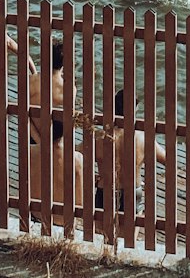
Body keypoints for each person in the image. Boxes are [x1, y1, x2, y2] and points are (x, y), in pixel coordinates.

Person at [95, 86, 165, 216]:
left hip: (105, 189)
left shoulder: (100, 137)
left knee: (102, 230)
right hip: (132, 189)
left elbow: (74, 154)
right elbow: (167, 159)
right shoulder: (142, 137)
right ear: (135, 110)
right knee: (133, 226)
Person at [30, 117, 85, 215]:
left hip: (36, 214)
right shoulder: (76, 159)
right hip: (63, 218)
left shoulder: (29, 153)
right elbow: (79, 201)